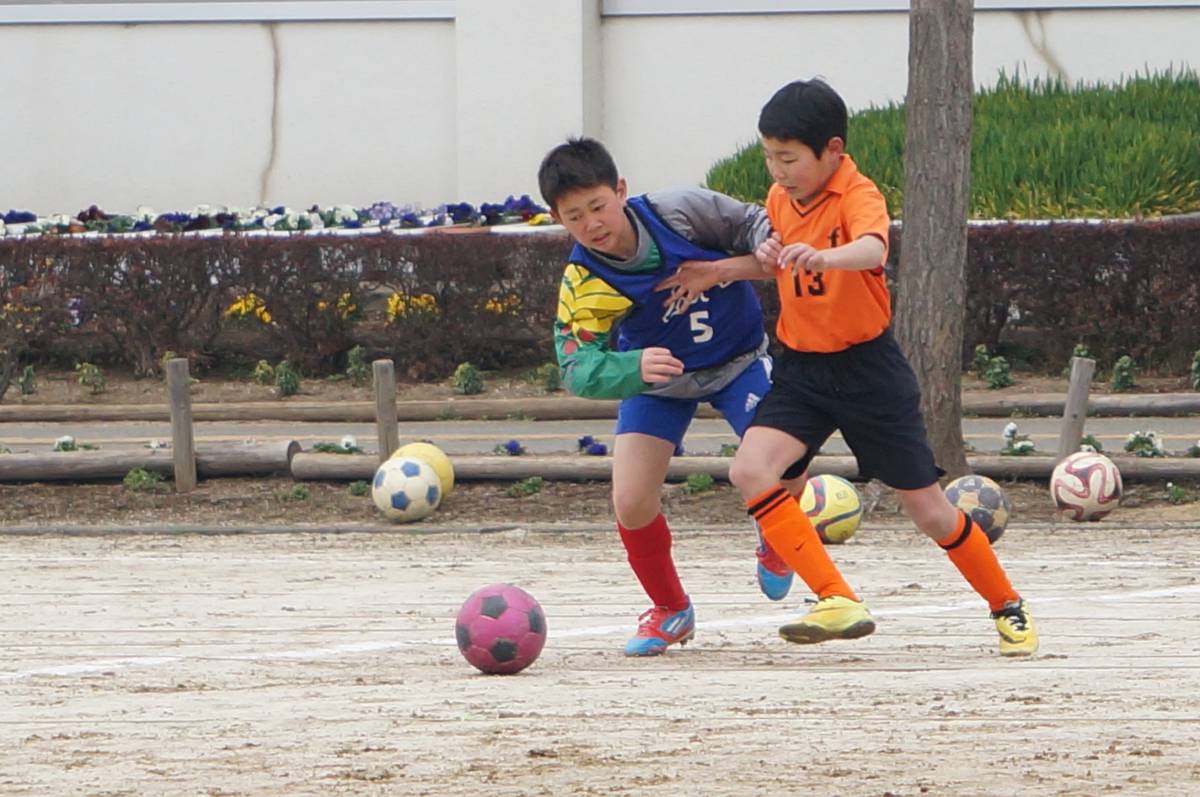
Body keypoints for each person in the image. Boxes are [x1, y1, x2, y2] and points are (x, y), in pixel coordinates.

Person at [671, 79, 1038, 657]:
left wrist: (824, 256)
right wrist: (724, 270)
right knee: (750, 470)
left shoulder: (857, 194)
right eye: (769, 157)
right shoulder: (780, 199)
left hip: (869, 371)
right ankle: (836, 597)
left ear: (833, 151)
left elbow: (873, 249)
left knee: (930, 511)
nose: (777, 171)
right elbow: (780, 264)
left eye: (788, 158)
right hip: (802, 371)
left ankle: (1007, 605)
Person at [537, 137, 798, 657]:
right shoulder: (584, 280)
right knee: (631, 500)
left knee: (788, 464)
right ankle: (671, 609)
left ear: (621, 191)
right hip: (659, 384)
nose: (592, 224)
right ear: (557, 220)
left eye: (598, 206)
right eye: (574, 217)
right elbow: (575, 365)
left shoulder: (679, 211)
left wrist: (758, 250)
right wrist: (630, 367)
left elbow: (755, 223)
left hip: (740, 361)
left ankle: (776, 535)